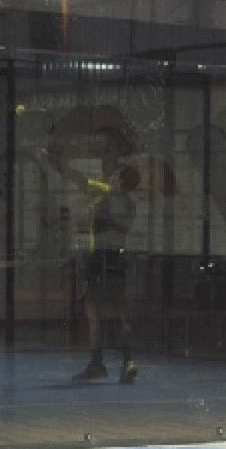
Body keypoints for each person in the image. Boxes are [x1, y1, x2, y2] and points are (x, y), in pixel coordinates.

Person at [50, 151, 141, 383]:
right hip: (118, 259)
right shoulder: (130, 204)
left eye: (114, 174)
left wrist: (57, 163)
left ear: (119, 179)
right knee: (119, 313)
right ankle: (128, 361)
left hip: (101, 258)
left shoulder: (107, 194)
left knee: (93, 313)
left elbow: (80, 179)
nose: (110, 176)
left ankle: (97, 363)